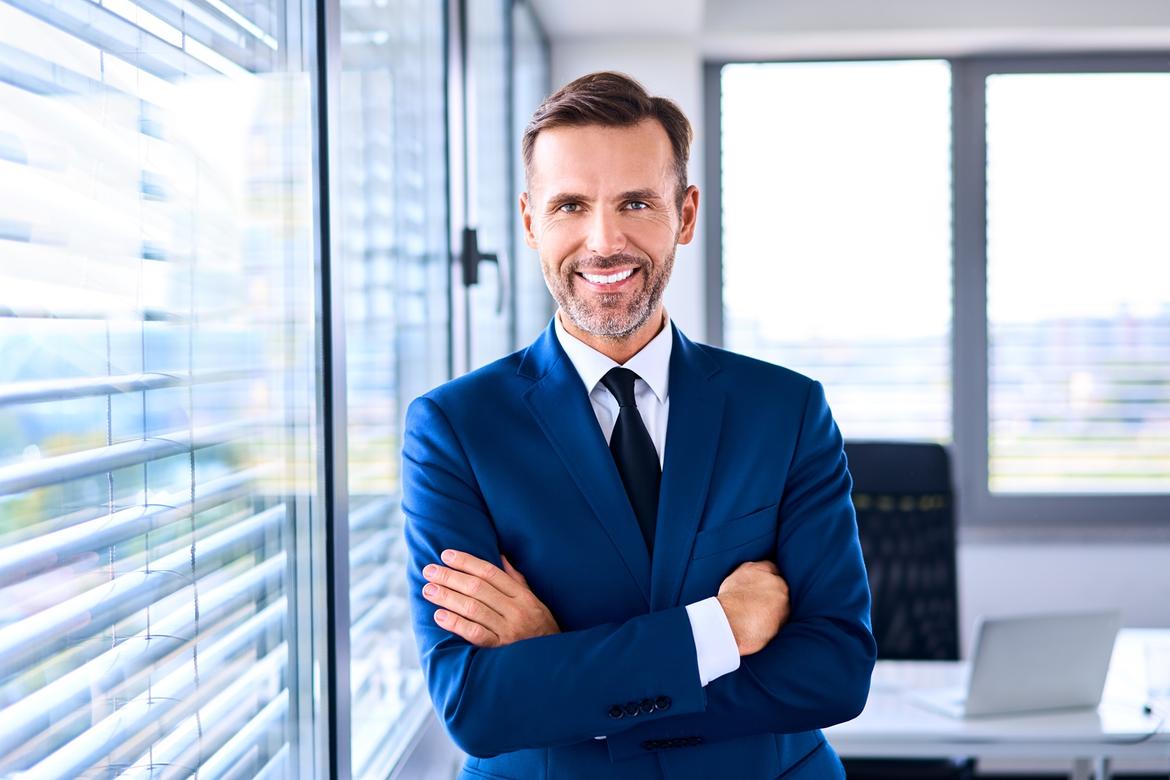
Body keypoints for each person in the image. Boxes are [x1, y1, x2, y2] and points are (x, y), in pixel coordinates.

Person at [402, 71, 875, 780]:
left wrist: (562, 666)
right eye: (570, 205)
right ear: (531, 220)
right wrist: (719, 630)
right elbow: (478, 706)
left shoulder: (786, 410)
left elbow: (835, 671)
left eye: (635, 202)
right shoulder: (454, 429)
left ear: (684, 215)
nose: (603, 241)